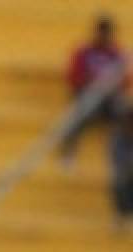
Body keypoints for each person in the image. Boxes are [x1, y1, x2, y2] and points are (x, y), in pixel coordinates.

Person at [61, 14, 128, 165]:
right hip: (87, 94)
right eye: (101, 33)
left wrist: (112, 85)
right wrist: (89, 82)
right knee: (77, 114)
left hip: (109, 98)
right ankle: (68, 152)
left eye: (107, 34)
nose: (104, 37)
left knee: (124, 111)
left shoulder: (118, 54)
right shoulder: (83, 52)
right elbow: (73, 77)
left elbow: (125, 82)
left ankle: (123, 157)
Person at [111, 103, 133, 231]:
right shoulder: (118, 138)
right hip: (127, 176)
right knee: (120, 179)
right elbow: (118, 161)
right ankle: (123, 215)